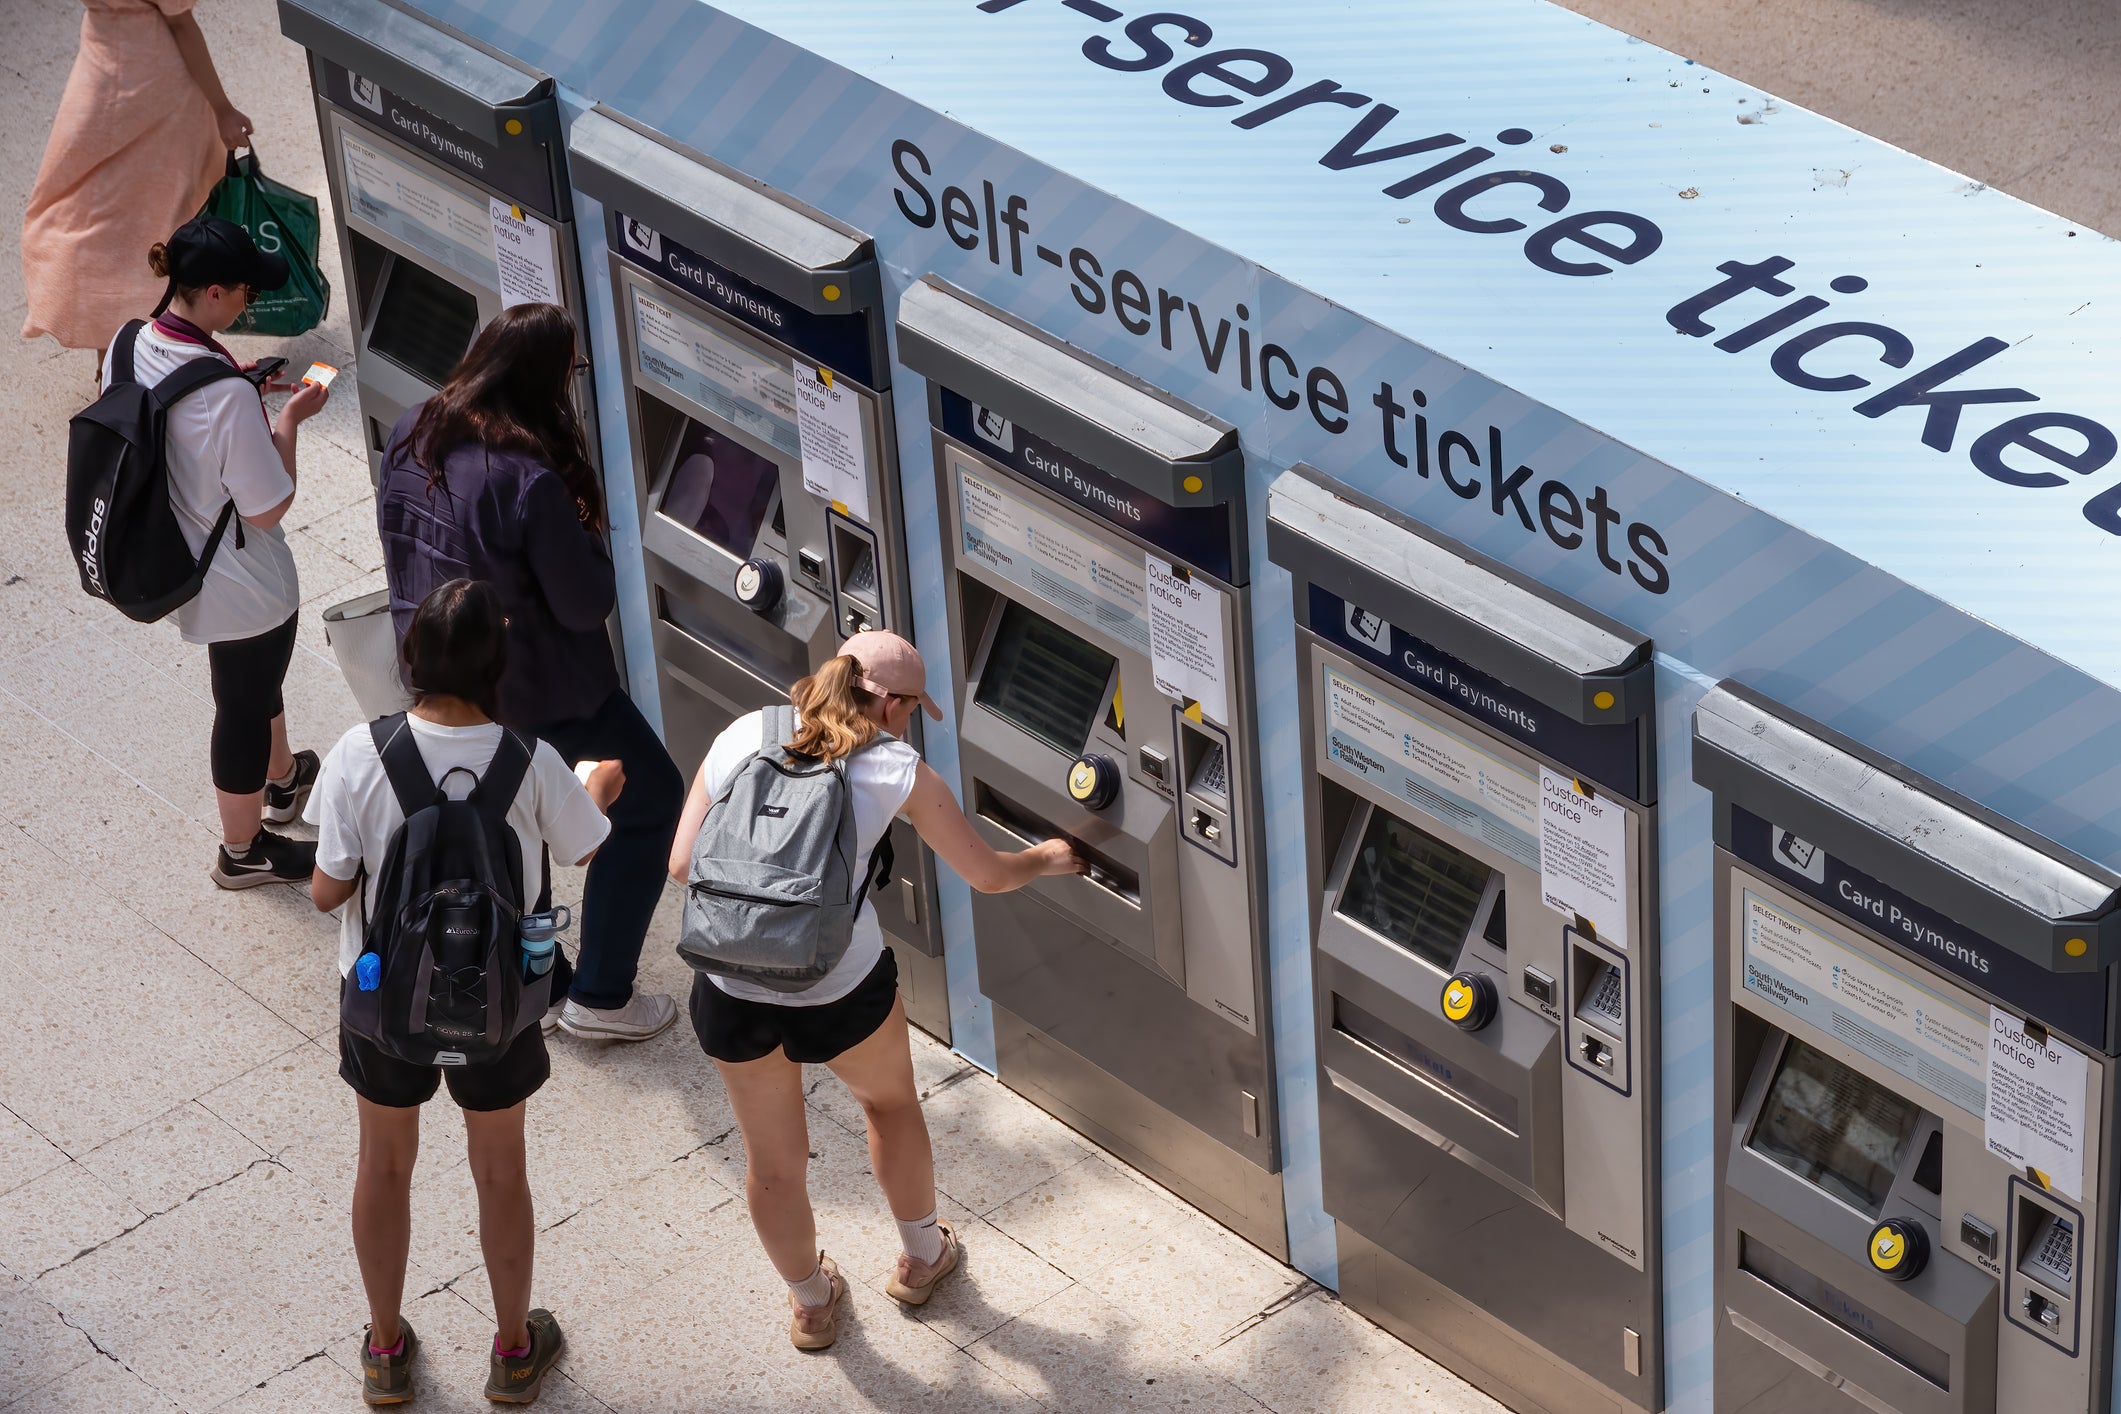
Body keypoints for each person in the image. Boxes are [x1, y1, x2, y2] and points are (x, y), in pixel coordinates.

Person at [667, 631, 1083, 1350]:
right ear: (889, 703)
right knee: (888, 1107)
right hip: (839, 985)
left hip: (730, 983)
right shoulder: (895, 769)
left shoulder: (744, 733)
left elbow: (681, 865)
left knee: (771, 1163)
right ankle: (923, 1259)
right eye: (912, 708)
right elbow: (986, 875)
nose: (909, 721)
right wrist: (1045, 857)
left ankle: (811, 1304)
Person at [307, 579, 623, 1405]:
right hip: (500, 1007)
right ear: (498, 667)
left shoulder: (357, 754)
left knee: (382, 1164)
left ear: (409, 660)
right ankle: (514, 1351)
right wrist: (596, 790)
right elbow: (583, 845)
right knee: (499, 1171)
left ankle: (384, 1350)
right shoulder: (531, 761)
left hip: (382, 1001)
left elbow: (326, 894)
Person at [377, 302, 683, 1043]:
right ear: (546, 378)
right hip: (542, 686)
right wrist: (590, 533)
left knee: (505, 822)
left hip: (439, 664)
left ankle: (541, 983)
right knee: (649, 801)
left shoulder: (412, 426)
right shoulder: (526, 480)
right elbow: (582, 605)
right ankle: (601, 998)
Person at [101, 215, 330, 888]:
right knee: (241, 701)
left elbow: (157, 416)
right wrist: (284, 421)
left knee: (254, 680)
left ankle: (282, 780)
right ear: (211, 294)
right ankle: (243, 850)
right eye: (244, 293)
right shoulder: (225, 394)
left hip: (164, 542)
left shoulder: (129, 339)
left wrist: (234, 398)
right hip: (233, 575)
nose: (250, 305)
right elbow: (268, 505)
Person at [24, 0, 253, 351]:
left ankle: (115, 359)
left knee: (98, 223)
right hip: (156, 93)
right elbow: (181, 24)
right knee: (157, 220)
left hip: (99, 81)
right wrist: (222, 108)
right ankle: (154, 350)